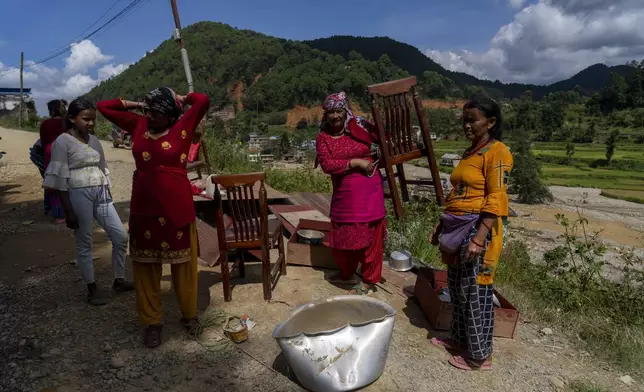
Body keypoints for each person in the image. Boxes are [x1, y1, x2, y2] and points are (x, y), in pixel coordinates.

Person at [97, 87, 210, 348]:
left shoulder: (183, 126)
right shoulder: (138, 124)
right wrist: (138, 103)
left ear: (171, 114)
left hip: (176, 207)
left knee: (184, 266)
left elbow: (202, 100)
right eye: (148, 111)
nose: (150, 116)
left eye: (156, 112)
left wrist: (183, 98)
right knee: (146, 267)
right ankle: (152, 322)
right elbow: (104, 106)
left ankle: (189, 315)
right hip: (144, 207)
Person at [429, 96, 513, 371]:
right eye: (464, 120)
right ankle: (459, 338)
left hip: (478, 229)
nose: (467, 125)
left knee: (476, 292)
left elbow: (497, 197)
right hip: (457, 225)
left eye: (472, 120)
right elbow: (457, 193)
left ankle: (480, 356)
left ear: (490, 122)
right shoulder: (470, 153)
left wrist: (479, 238)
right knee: (457, 288)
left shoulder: (497, 152)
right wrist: (441, 224)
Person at [43, 98, 133, 306]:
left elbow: (102, 168)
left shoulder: (94, 141)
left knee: (120, 236)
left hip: (101, 193)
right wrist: (68, 210)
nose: (90, 123)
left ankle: (119, 280)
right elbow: (59, 177)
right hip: (77, 193)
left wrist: (107, 193)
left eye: (93, 119)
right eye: (86, 119)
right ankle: (92, 288)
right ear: (72, 119)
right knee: (85, 241)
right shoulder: (62, 142)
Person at [315, 92, 386, 296]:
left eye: (338, 111)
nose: (335, 116)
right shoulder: (323, 138)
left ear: (345, 111)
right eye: (331, 112)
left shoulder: (359, 129)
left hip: (369, 191)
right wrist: (355, 162)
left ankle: (370, 281)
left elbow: (380, 142)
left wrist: (375, 155)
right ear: (325, 115)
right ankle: (347, 273)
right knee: (343, 239)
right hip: (344, 196)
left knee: (370, 238)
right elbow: (327, 165)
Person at [40, 99, 68, 222]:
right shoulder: (68, 123)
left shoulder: (45, 124)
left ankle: (57, 213)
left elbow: (42, 142)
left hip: (50, 152)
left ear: (51, 111)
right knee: (67, 180)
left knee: (52, 181)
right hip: (66, 152)